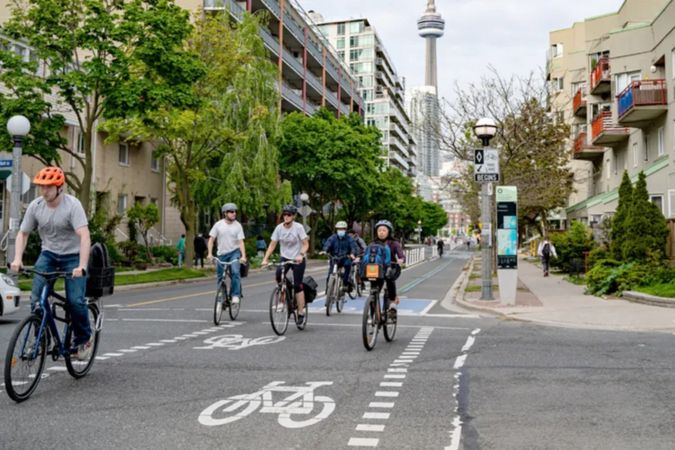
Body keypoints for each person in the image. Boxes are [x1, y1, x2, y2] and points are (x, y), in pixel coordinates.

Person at [11, 166, 92, 360]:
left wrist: (81, 265)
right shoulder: (36, 206)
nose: (44, 191)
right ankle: (41, 338)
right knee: (36, 300)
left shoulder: (72, 205)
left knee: (75, 301)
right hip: (48, 255)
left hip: (72, 256)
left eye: (49, 187)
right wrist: (17, 258)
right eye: (42, 187)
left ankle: (83, 339)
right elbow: (23, 233)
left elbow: (84, 236)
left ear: (59, 187)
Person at [262, 204, 309, 326]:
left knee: (298, 285)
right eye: (284, 214)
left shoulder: (298, 227)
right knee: (279, 276)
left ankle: (300, 313)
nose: (286, 216)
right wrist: (265, 259)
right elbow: (272, 245)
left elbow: (305, 244)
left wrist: (301, 254)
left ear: (293, 216)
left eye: (289, 214)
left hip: (298, 258)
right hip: (285, 257)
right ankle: (285, 292)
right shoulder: (279, 228)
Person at [207, 203, 247, 304]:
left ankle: (235, 295)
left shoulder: (238, 225)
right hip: (221, 254)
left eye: (235, 211)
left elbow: (241, 242)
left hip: (234, 252)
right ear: (225, 213)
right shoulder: (218, 225)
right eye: (231, 211)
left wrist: (243, 256)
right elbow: (211, 240)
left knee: (235, 272)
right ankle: (222, 296)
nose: (234, 213)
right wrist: (209, 254)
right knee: (220, 276)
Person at [369, 220, 405, 319]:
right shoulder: (373, 243)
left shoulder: (394, 243)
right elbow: (366, 254)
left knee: (389, 279)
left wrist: (401, 260)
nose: (381, 232)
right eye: (379, 230)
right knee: (374, 290)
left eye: (384, 230)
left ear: (389, 232)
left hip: (391, 267)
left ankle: (393, 302)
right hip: (376, 269)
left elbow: (401, 255)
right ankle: (373, 316)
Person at [320, 221, 356, 292]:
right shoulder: (332, 238)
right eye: (339, 229)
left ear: (345, 230)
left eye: (342, 229)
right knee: (330, 273)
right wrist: (324, 251)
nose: (340, 231)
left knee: (348, 265)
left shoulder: (349, 239)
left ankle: (345, 283)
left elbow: (353, 247)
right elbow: (328, 244)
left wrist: (352, 254)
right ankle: (328, 290)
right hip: (335, 258)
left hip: (345, 258)